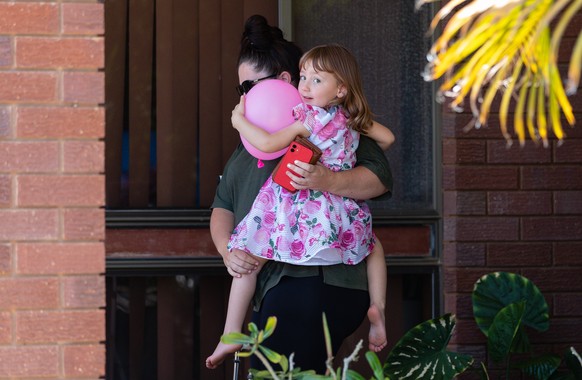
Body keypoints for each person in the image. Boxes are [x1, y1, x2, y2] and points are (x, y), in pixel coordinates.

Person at [207, 15, 394, 373]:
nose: (246, 97)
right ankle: (231, 334)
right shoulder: (248, 148)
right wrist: (227, 251)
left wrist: (324, 179)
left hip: (313, 280)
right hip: (271, 285)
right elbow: (223, 205)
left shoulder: (315, 122)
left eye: (250, 86)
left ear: (282, 82)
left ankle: (229, 333)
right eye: (241, 90)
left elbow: (379, 177)